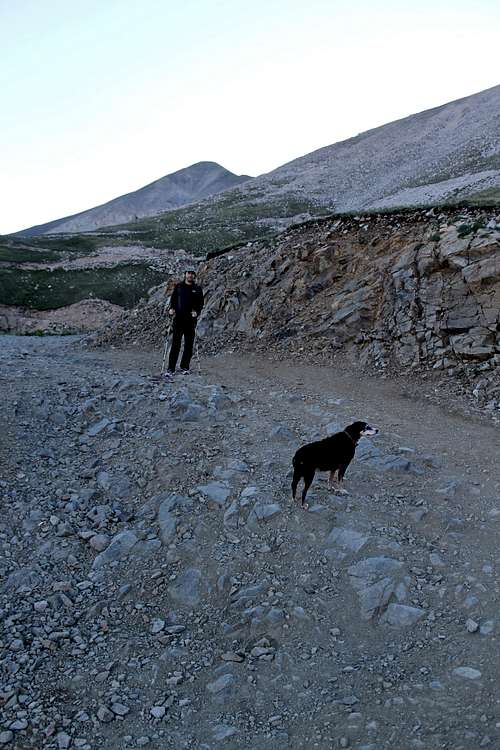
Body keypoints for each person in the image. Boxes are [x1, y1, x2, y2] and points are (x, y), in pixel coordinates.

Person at [165, 270, 204, 377]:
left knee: (188, 345)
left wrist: (197, 312)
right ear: (185, 274)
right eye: (188, 273)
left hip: (191, 321)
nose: (190, 275)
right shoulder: (179, 287)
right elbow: (173, 300)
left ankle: (185, 367)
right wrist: (171, 309)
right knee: (175, 344)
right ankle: (171, 368)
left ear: (194, 276)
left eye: (192, 273)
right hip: (178, 319)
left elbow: (201, 303)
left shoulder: (197, 289)